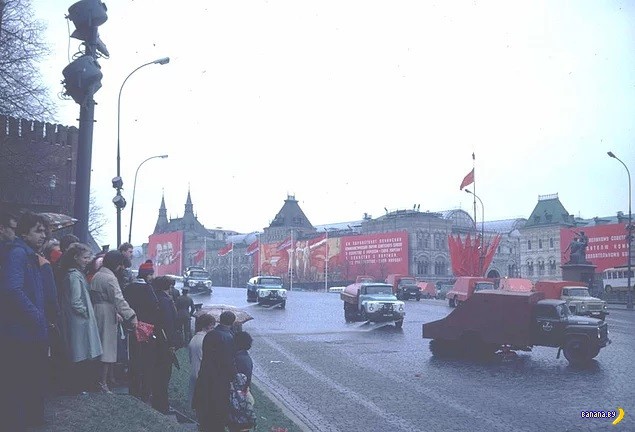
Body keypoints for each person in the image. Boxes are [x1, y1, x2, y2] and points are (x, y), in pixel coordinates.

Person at [0, 211, 50, 430]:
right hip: (21, 335)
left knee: (29, 387)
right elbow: (13, 290)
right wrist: (37, 316)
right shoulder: (18, 254)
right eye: (38, 231)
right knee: (20, 388)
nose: (43, 236)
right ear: (24, 233)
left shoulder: (28, 255)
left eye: (45, 231)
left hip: (28, 333)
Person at [89, 250, 137, 393]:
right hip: (107, 312)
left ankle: (100, 380)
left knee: (99, 347)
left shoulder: (98, 275)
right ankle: (103, 383)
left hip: (97, 310)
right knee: (107, 347)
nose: (121, 267)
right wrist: (131, 315)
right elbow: (119, 299)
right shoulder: (110, 278)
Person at [59, 242, 102, 393]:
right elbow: (75, 301)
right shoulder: (74, 276)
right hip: (80, 321)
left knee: (80, 352)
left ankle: (78, 387)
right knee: (81, 353)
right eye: (85, 257)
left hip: (77, 319)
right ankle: (78, 387)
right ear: (75, 258)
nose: (88, 260)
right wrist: (86, 312)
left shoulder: (72, 275)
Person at [193, 310, 237, 432]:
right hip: (220, 379)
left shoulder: (210, 334)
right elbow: (229, 361)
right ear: (232, 322)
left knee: (207, 407)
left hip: (206, 375)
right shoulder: (229, 337)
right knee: (218, 410)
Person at [123, 260, 160, 402]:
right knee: (146, 361)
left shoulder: (129, 287)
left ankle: (133, 389)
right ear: (147, 275)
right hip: (146, 328)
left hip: (132, 326)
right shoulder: (148, 289)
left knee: (134, 358)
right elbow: (154, 306)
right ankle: (144, 391)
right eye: (151, 274)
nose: (152, 277)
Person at [151, 276, 179, 414]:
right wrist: (172, 343)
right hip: (164, 341)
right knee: (164, 374)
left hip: (154, 339)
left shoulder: (153, 298)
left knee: (156, 372)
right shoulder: (165, 301)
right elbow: (169, 323)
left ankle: (157, 400)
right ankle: (162, 404)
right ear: (169, 287)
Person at [228, 331, 255, 432]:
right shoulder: (245, 357)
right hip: (244, 394)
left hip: (239, 396)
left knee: (238, 424)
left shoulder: (238, 359)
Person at [188, 313, 215, 406]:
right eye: (212, 326)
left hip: (194, 371)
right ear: (208, 326)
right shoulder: (206, 340)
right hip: (202, 374)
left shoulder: (194, 338)